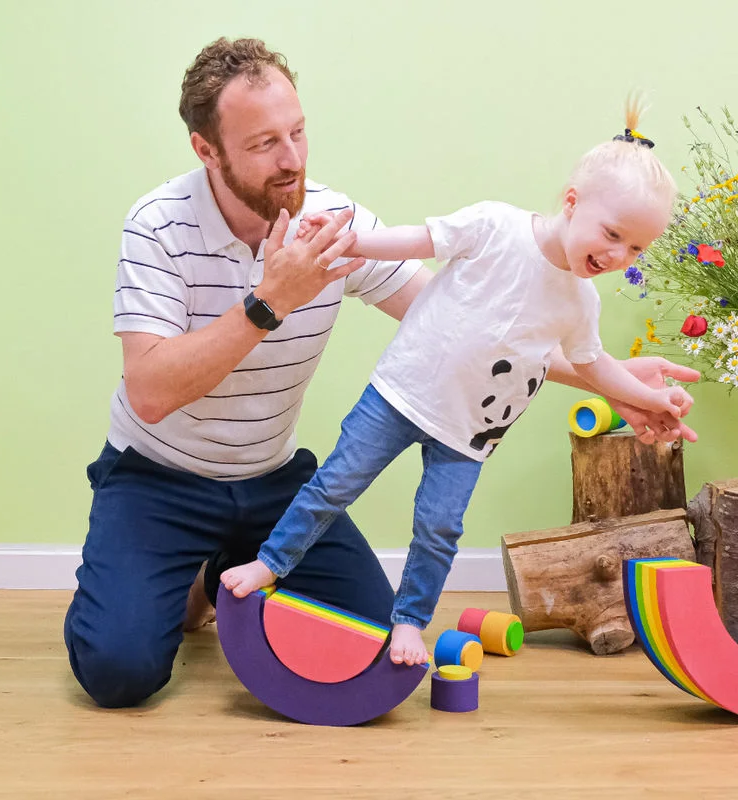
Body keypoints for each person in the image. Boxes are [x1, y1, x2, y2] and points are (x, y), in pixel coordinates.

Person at [65, 37, 698, 708]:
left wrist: (610, 379)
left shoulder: (330, 220)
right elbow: (151, 393)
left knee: (371, 639)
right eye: (263, 144)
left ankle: (225, 560)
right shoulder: (158, 226)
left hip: (272, 478)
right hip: (160, 478)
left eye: (299, 132)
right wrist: (269, 301)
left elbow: (463, 326)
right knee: (119, 672)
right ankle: (189, 571)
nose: (292, 159)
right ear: (206, 149)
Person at [220, 110, 698, 666]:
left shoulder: (579, 302)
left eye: (636, 249)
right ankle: (271, 562)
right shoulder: (496, 226)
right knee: (334, 485)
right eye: (612, 234)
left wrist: (649, 398)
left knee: (439, 526)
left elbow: (593, 366)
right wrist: (354, 243)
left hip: (467, 436)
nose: (617, 256)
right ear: (572, 202)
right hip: (398, 397)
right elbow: (421, 239)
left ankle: (409, 621)